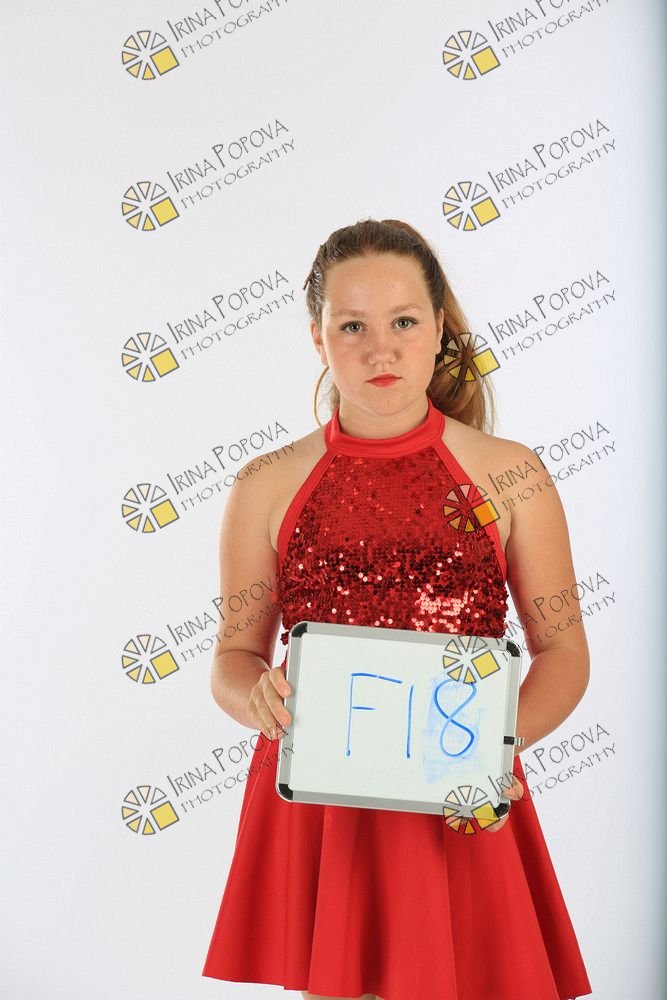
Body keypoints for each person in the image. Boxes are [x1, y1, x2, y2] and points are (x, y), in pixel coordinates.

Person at [201, 218, 593, 1000]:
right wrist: (255, 697)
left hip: (458, 787)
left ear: (439, 329)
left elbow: (563, 654)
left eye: (404, 322)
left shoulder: (510, 474)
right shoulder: (266, 483)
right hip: (322, 795)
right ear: (317, 339)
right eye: (352, 326)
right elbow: (232, 657)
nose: (380, 350)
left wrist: (489, 751)